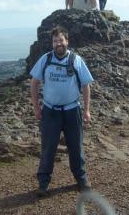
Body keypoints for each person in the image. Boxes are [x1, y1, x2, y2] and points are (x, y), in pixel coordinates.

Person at [30, 26, 93, 197]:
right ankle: (43, 183)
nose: (58, 43)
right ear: (52, 43)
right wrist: (36, 107)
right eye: (55, 41)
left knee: (76, 146)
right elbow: (35, 83)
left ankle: (81, 178)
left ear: (67, 41)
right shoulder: (46, 59)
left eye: (61, 40)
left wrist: (86, 110)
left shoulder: (76, 60)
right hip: (50, 112)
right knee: (48, 148)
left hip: (73, 111)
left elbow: (86, 86)